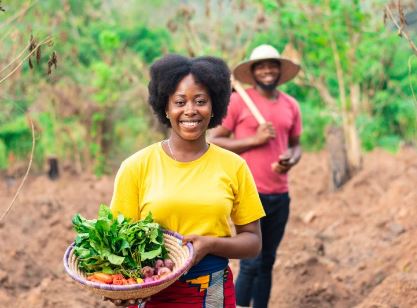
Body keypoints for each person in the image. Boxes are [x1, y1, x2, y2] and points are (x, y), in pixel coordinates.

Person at [108, 54, 265, 307]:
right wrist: (121, 289)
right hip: (152, 291)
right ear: (166, 108)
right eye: (180, 102)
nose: (190, 110)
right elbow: (118, 243)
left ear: (215, 106)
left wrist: (211, 244)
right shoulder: (136, 166)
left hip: (212, 292)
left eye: (200, 101)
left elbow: (253, 242)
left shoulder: (234, 166)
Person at [209, 44, 302, 308]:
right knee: (251, 264)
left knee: (268, 261)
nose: (267, 70)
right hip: (249, 194)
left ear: (280, 70)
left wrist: (291, 159)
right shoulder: (238, 102)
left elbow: (296, 144)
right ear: (252, 71)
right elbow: (214, 141)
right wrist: (255, 139)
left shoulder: (291, 105)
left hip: (280, 194)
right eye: (261, 66)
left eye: (272, 65)